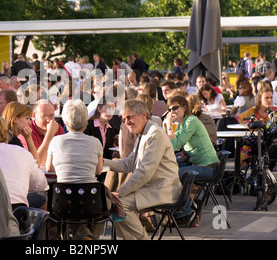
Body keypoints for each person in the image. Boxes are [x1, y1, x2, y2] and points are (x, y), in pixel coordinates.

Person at [103, 99, 182, 240]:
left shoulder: (154, 134)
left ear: (144, 115)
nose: (126, 122)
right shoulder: (144, 133)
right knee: (114, 203)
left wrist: (120, 193)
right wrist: (100, 161)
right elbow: (127, 164)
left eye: (130, 117)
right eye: (124, 118)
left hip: (162, 190)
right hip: (152, 188)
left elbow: (144, 173)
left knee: (118, 204)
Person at [46, 99, 109, 240]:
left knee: (73, 203)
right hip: (92, 199)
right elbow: (98, 171)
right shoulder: (95, 142)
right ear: (85, 121)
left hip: (61, 201)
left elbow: (49, 168)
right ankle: (90, 236)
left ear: (65, 121)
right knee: (108, 203)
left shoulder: (56, 141)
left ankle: (84, 235)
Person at [0, 114, 48, 211]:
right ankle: (44, 226)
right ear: (6, 133)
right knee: (42, 199)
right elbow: (41, 184)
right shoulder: (21, 152)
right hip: (18, 212)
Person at [163, 95, 219, 179]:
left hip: (207, 167)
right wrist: (165, 127)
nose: (172, 112)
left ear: (185, 107)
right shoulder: (182, 123)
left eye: (175, 108)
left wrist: (169, 125)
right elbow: (170, 144)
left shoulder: (191, 121)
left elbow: (175, 146)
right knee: (165, 169)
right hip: (197, 164)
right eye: (169, 110)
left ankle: (186, 191)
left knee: (171, 173)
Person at [18, 100, 65, 167]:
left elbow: (64, 155)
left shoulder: (57, 127)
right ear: (34, 116)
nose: (48, 120)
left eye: (51, 116)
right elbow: (38, 162)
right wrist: (49, 134)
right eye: (44, 116)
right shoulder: (27, 131)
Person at [84, 96, 117, 161]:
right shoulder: (88, 125)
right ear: (99, 109)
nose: (110, 111)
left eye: (113, 109)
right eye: (107, 108)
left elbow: (107, 151)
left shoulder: (111, 128)